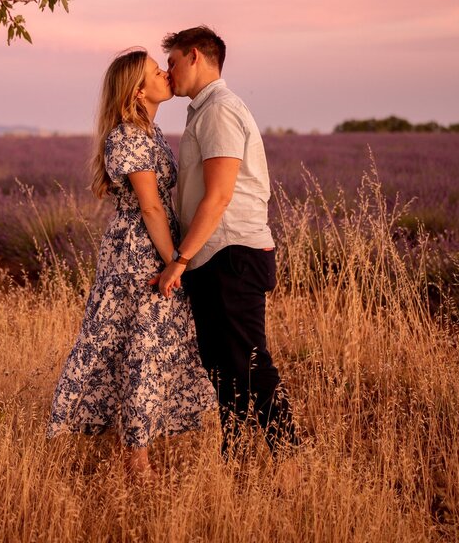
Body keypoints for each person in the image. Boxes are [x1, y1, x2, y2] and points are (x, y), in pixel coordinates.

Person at [47, 48, 216, 478]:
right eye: (155, 72)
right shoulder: (127, 136)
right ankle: (135, 460)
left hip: (153, 246)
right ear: (138, 92)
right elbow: (151, 209)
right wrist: (175, 262)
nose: (166, 73)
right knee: (139, 346)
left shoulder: (152, 133)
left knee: (147, 346)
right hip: (139, 252)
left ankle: (136, 448)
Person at [151, 26, 300, 459]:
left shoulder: (218, 110)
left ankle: (290, 458)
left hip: (231, 252)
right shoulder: (203, 110)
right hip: (217, 254)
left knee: (250, 363)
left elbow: (218, 196)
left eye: (173, 61)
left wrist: (179, 260)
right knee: (223, 366)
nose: (168, 71)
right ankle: (235, 456)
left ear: (195, 55)